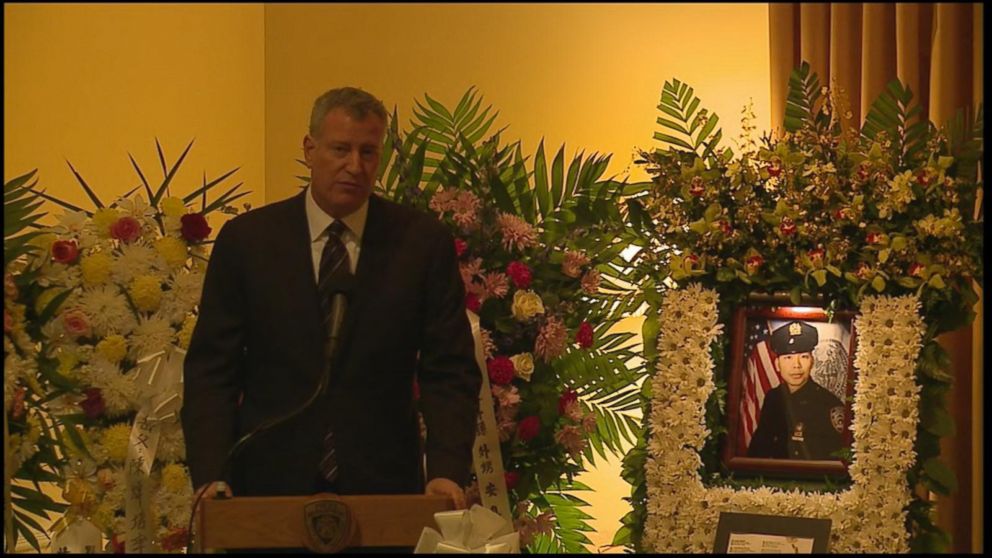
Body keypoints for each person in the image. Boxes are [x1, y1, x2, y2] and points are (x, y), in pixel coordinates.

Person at [181, 87, 481, 510]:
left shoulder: (420, 243)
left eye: (368, 153)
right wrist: (212, 473)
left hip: (384, 484)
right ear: (309, 149)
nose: (354, 166)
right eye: (340, 149)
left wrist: (445, 471)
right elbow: (212, 369)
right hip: (267, 483)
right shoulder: (249, 241)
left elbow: (449, 369)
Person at [746, 320, 845, 460]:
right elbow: (758, 450)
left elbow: (836, 462)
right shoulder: (773, 398)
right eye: (788, 358)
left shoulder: (828, 404)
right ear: (777, 364)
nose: (796, 365)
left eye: (804, 357)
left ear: (812, 361)